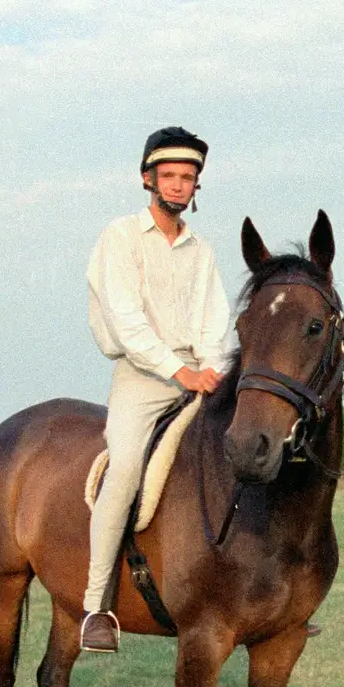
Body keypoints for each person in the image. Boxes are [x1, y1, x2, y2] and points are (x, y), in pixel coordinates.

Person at [80, 126, 234, 653]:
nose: (177, 185)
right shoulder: (120, 238)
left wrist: (211, 369)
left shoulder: (202, 250)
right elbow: (126, 322)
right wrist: (177, 371)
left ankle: (267, 595)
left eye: (187, 177)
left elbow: (216, 320)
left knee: (253, 452)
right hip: (143, 378)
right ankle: (96, 605)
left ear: (196, 186)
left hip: (199, 374)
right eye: (168, 176)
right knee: (123, 469)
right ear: (148, 179)